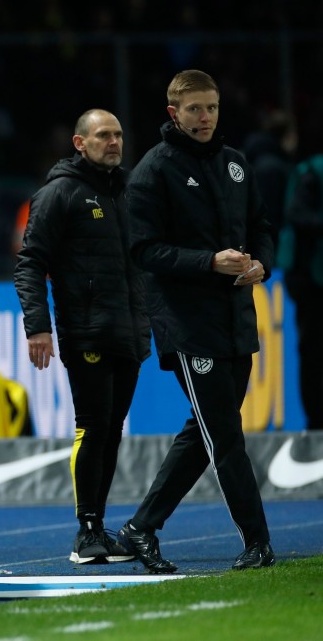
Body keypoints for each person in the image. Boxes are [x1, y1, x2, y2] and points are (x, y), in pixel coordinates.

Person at [120, 69, 274, 573]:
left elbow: (261, 227)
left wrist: (260, 264)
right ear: (174, 113)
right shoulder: (153, 170)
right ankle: (258, 541)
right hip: (187, 324)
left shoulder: (235, 164)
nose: (205, 117)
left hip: (236, 320)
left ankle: (140, 528)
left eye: (211, 107)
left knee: (207, 430)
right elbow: (143, 250)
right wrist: (209, 262)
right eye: (194, 109)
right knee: (224, 434)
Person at [14, 109, 149, 565]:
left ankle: (99, 524)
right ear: (79, 142)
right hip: (87, 331)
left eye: (118, 135)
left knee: (112, 432)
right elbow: (30, 262)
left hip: (129, 331)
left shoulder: (130, 191)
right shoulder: (60, 193)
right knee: (92, 427)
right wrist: (38, 327)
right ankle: (86, 531)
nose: (113, 142)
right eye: (103, 135)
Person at [278, 153, 323, 430]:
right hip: (312, 284)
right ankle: (316, 423)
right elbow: (296, 215)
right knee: (314, 353)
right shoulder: (313, 171)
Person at [242, 110, 297, 248]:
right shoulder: (271, 167)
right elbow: (268, 213)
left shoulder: (265, 161)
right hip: (270, 246)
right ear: (287, 135)